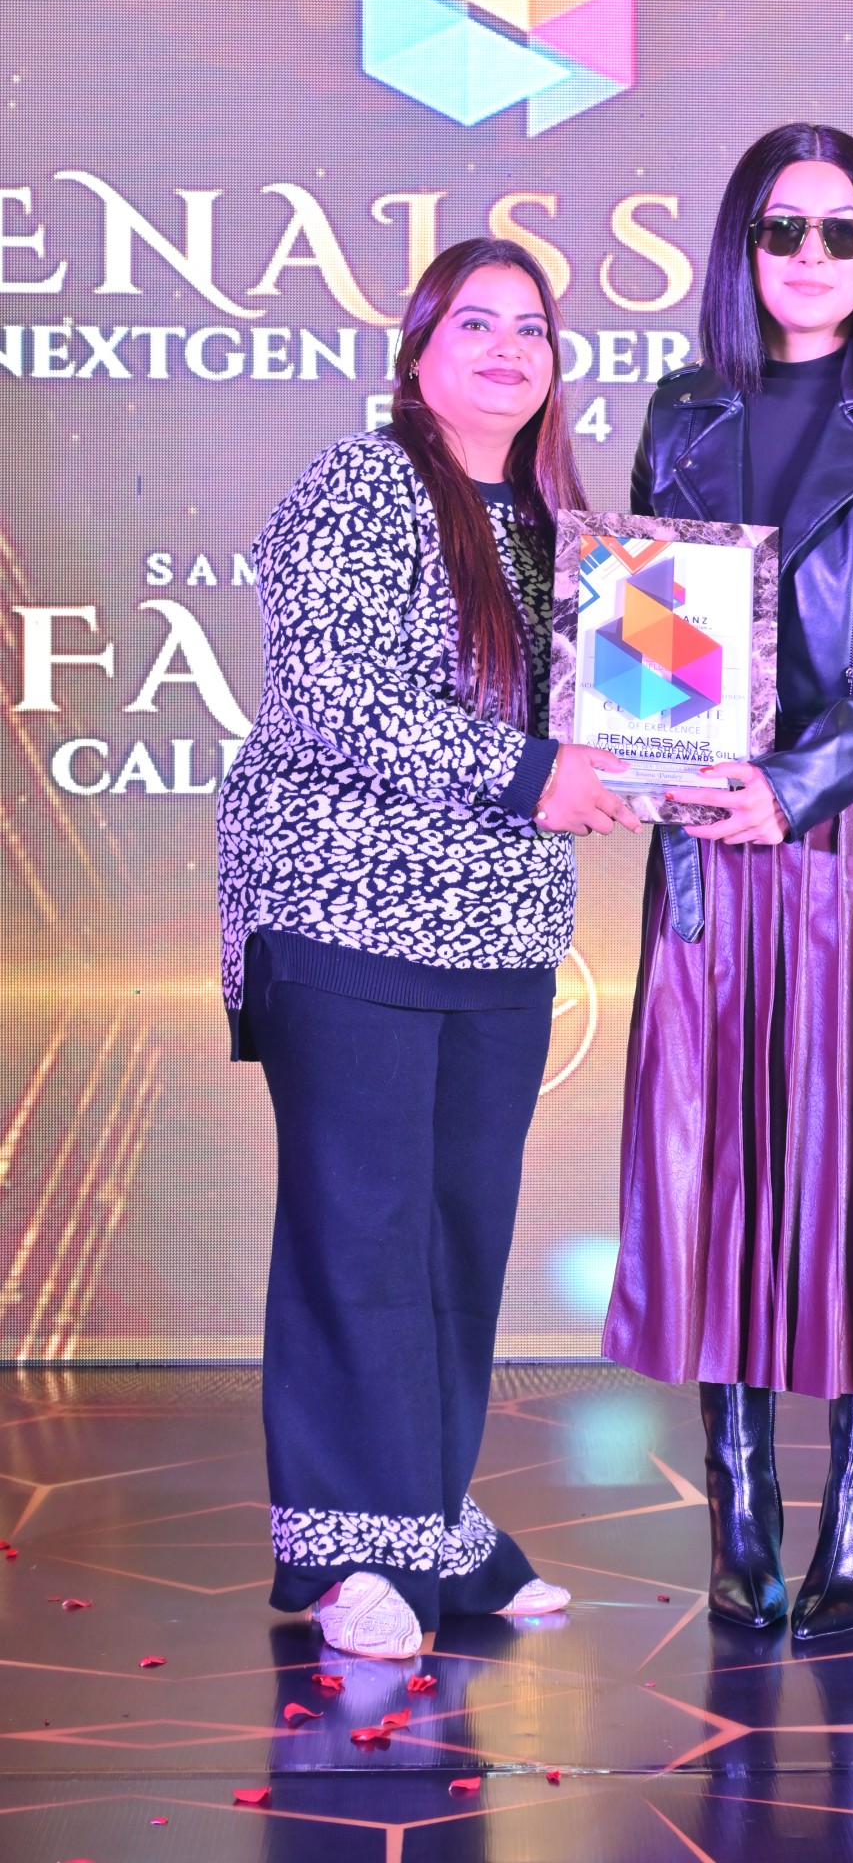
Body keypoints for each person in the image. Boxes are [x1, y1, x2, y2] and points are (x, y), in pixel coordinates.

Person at [602, 124, 853, 1639]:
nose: (814, 259)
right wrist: (659, 759)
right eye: (786, 229)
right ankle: (736, 1516)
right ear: (743, 245)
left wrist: (795, 783)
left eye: (844, 233)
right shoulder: (682, 406)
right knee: (717, 1156)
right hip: (713, 828)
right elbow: (649, 626)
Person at [217, 238, 638, 1660]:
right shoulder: (362, 484)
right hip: (343, 913)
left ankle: (428, 1516)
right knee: (361, 1231)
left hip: (498, 932)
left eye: (533, 328)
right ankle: (348, 1552)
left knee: (459, 1229)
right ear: (416, 354)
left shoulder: (565, 530)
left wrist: (662, 758)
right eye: (476, 324)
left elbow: (621, 715)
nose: (509, 349)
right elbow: (335, 693)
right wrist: (533, 776)